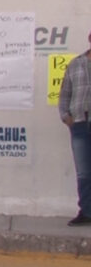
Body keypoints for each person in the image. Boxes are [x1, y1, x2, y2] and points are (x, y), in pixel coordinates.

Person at [58, 34, 91, 226]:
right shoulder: (75, 64)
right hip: (79, 123)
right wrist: (65, 116)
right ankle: (86, 212)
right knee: (84, 172)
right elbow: (65, 93)